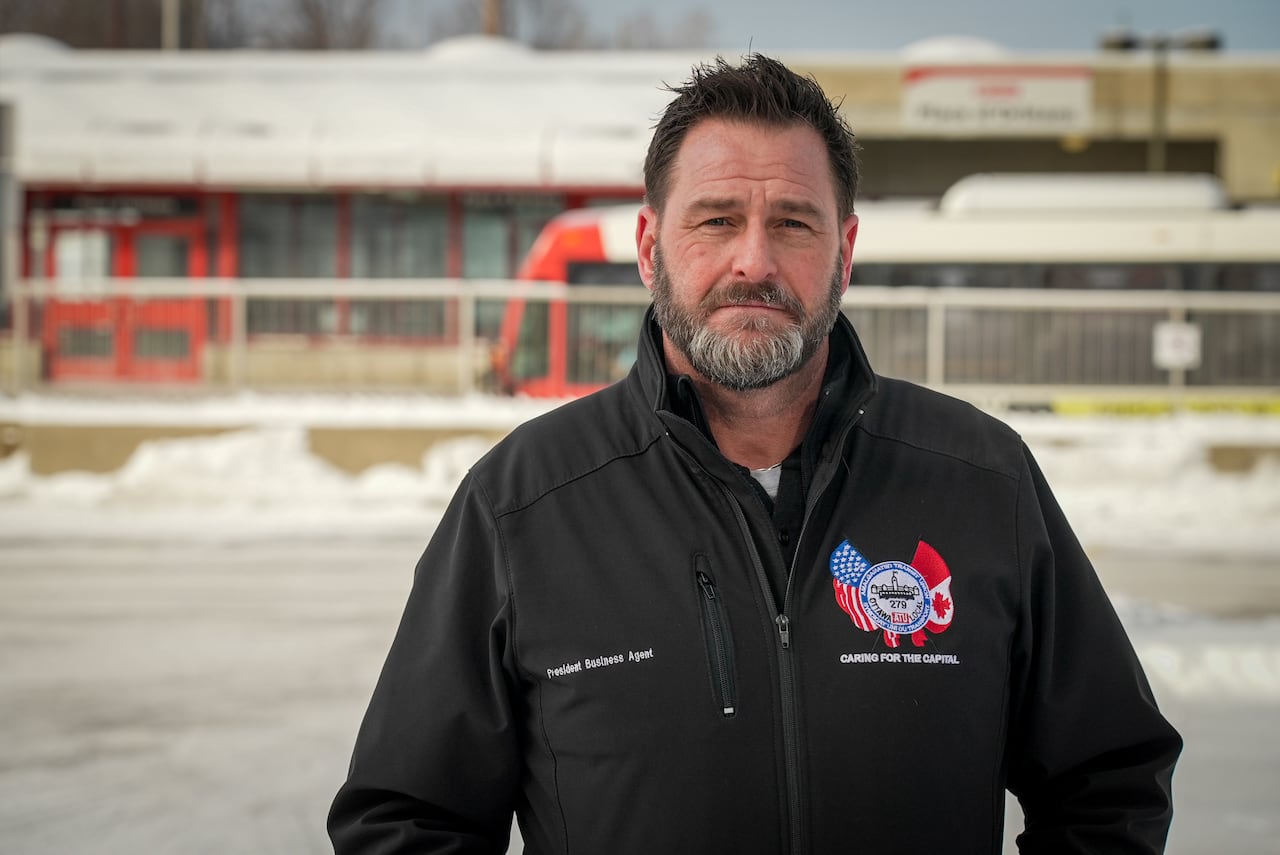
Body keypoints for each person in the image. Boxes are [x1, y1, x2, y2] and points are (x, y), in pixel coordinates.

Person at [329, 54, 1181, 854]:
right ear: (649, 246)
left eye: (792, 223)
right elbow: (407, 819)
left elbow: (1108, 780)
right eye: (717, 220)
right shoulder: (521, 505)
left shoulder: (982, 480)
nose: (754, 260)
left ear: (844, 251)